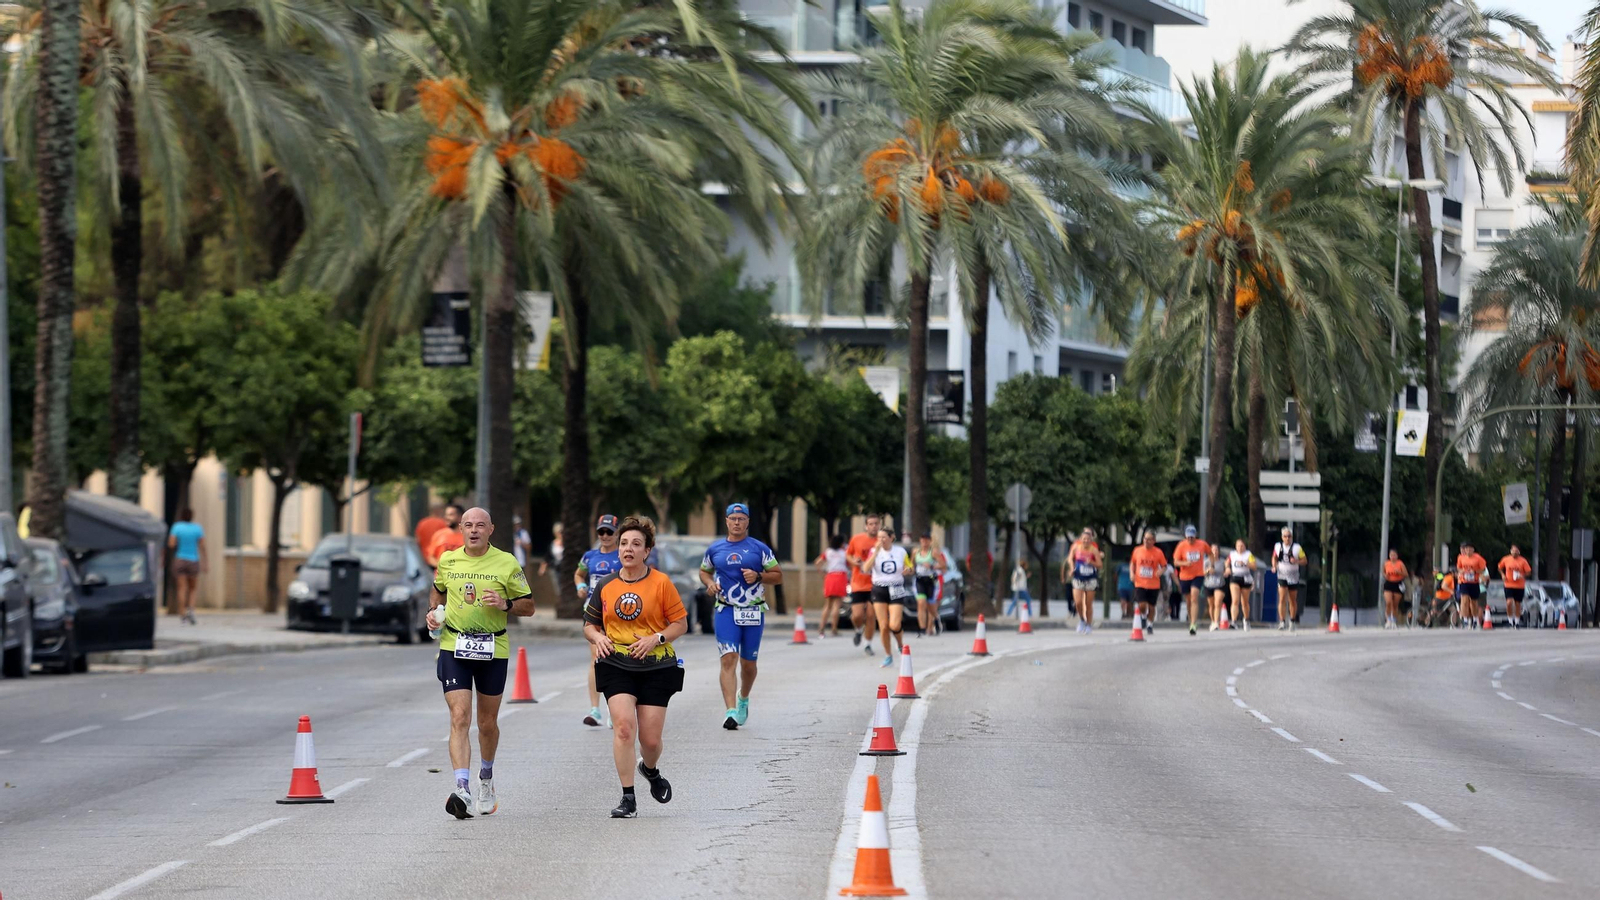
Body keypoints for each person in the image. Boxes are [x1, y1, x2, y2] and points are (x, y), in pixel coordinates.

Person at [425, 507, 532, 819]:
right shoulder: (448, 560)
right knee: (459, 717)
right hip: (454, 645)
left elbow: (530, 605)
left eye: (480, 525)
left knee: (486, 723)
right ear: (461, 528)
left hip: (492, 648)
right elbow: (438, 591)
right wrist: (434, 612)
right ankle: (462, 789)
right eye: (468, 525)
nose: (474, 530)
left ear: (491, 529)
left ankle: (486, 778)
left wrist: (506, 603)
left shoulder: (507, 563)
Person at [582, 516, 687, 818]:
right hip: (617, 665)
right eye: (624, 543)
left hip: (656, 666)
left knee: (650, 741)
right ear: (618, 549)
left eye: (636, 544)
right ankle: (628, 798)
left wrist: (656, 638)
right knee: (624, 728)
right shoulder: (606, 585)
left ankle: (650, 769)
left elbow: (681, 623)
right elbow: (589, 625)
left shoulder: (662, 583)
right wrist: (597, 637)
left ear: (647, 551)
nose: (628, 549)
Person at [701, 503, 781, 730]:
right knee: (728, 659)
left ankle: (743, 698)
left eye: (741, 519)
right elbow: (704, 571)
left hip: (753, 611)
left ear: (747, 522)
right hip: (726, 609)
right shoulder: (715, 549)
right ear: (726, 521)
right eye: (733, 518)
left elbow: (778, 576)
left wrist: (758, 576)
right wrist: (709, 584)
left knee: (748, 665)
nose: (737, 522)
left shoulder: (759, 548)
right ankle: (731, 711)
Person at [576, 515, 622, 727]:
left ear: (616, 533)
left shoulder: (622, 555)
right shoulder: (589, 556)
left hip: (617, 613)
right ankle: (595, 710)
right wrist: (580, 587)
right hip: (593, 612)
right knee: (596, 658)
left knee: (617, 658)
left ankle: (616, 708)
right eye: (601, 532)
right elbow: (579, 574)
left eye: (609, 532)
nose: (605, 536)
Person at [863, 528, 912, 666]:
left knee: (894, 624)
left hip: (896, 587)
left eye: (884, 537)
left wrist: (908, 570)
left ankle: (900, 644)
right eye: (879, 537)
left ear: (892, 538)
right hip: (879, 588)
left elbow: (909, 566)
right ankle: (888, 655)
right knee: (883, 626)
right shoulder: (874, 552)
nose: (881, 540)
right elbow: (866, 569)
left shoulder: (900, 552)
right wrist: (876, 553)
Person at [846, 514, 883, 655]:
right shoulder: (857, 539)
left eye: (876, 523)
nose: (874, 526)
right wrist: (853, 561)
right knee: (857, 615)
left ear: (879, 525)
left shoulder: (881, 541)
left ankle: (868, 644)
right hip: (858, 583)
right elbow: (848, 554)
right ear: (866, 526)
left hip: (875, 583)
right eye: (871, 524)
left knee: (871, 615)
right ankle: (858, 629)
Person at [168, 509, 207, 625]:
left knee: (181, 588)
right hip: (193, 560)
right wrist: (205, 562)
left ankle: (182, 615)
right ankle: (191, 610)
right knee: (192, 589)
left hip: (180, 559)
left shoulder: (177, 527)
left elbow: (171, 543)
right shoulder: (197, 528)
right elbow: (202, 545)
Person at [1062, 528, 1101, 635]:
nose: (1086, 541)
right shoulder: (1076, 547)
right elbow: (1070, 558)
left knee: (1088, 604)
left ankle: (1088, 624)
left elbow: (1100, 565)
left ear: (1091, 540)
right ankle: (1082, 620)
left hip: (1090, 579)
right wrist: (1071, 568)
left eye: (1088, 539)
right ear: (1080, 539)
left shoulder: (1094, 550)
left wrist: (1092, 562)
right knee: (1078, 603)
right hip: (1078, 578)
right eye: (1084, 539)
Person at [1173, 526, 1210, 636]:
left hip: (1198, 575)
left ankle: (1194, 623)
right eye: (1188, 537)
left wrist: (1210, 565)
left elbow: (1211, 553)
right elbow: (1175, 562)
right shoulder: (1181, 546)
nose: (1190, 539)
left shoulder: (1202, 544)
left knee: (1194, 597)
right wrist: (1185, 563)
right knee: (1188, 601)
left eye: (1192, 537)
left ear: (1195, 536)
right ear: (1185, 536)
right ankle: (1191, 620)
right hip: (1184, 576)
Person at [1128, 531, 1167, 631]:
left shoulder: (1158, 552)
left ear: (1154, 541)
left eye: (1149, 539)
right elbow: (1132, 563)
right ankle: (1144, 616)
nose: (1147, 541)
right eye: (1145, 539)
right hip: (1140, 582)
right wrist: (1132, 573)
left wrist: (1160, 571)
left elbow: (1164, 566)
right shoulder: (1137, 550)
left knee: (1151, 606)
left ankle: (1150, 624)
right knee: (1142, 605)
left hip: (1153, 584)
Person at [814, 534, 850, 639]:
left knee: (827, 605)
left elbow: (817, 562)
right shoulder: (844, 553)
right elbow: (849, 564)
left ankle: (821, 628)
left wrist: (822, 574)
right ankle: (834, 628)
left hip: (830, 577)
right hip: (841, 577)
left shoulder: (828, 552)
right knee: (837, 605)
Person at [1271, 528, 1306, 631]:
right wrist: (1274, 565)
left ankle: (1292, 620)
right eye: (1285, 536)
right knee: (1282, 598)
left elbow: (1304, 560)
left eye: (1289, 536)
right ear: (1282, 537)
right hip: (1282, 574)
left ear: (1292, 537)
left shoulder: (1297, 548)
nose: (1287, 538)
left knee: (1292, 599)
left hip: (1293, 575)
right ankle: (1282, 621)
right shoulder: (1278, 546)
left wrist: (1297, 561)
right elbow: (1274, 557)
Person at [912, 534, 945, 636]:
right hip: (919, 580)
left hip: (931, 580)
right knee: (921, 603)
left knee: (931, 605)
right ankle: (922, 628)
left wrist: (932, 565)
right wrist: (909, 569)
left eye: (926, 540)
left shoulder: (934, 552)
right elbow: (911, 563)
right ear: (920, 541)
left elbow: (943, 565)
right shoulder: (915, 551)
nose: (924, 543)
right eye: (922, 540)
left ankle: (936, 618)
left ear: (930, 541)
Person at [1455, 541, 1489, 628]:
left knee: (1473, 603)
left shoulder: (1478, 558)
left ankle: (1474, 618)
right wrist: (1461, 571)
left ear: (1473, 550)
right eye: (1466, 549)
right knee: (1465, 600)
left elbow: (1483, 569)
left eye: (1470, 549)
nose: (1468, 551)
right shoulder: (1461, 558)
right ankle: (1465, 619)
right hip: (1464, 581)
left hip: (1474, 582)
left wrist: (1474, 571)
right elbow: (1458, 567)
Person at [1499, 545, 1532, 628]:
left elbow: (1528, 572)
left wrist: (1522, 575)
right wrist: (1503, 575)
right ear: (1510, 551)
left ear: (1519, 552)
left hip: (1519, 585)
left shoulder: (1523, 561)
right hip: (1508, 584)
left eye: (1516, 551)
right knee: (1509, 602)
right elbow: (1500, 567)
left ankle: (1516, 622)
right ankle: (1510, 620)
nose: (1514, 552)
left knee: (1518, 604)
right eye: (1513, 551)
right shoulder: (1506, 559)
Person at [1227, 540, 1256, 631]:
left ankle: (1246, 620)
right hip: (1235, 577)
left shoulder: (1248, 554)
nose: (1240, 548)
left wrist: (1246, 563)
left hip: (1246, 578)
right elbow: (1227, 562)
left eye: (1242, 546)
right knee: (1235, 600)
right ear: (1235, 547)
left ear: (1245, 546)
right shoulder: (1232, 554)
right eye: (1238, 546)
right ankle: (1234, 621)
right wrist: (1227, 568)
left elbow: (1254, 566)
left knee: (1245, 602)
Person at [1381, 550, 1409, 630]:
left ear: (1397, 556)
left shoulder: (1400, 563)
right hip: (1388, 583)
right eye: (1391, 555)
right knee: (1388, 602)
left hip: (1398, 584)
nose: (1393, 557)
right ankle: (1388, 620)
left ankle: (1394, 621)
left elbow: (1406, 574)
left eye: (1394, 555)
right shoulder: (1387, 563)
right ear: (1389, 556)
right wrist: (1385, 575)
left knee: (1395, 604)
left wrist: (1399, 572)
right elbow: (1383, 571)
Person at [1204, 545, 1228, 630]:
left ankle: (1216, 622)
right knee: (1211, 605)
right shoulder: (1206, 562)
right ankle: (1213, 621)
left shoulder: (1222, 561)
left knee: (1218, 603)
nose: (1214, 552)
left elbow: (1227, 569)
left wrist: (1227, 572)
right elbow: (1201, 572)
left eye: (1216, 550)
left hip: (1220, 584)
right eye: (1213, 550)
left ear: (1218, 551)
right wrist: (1208, 571)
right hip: (1209, 584)